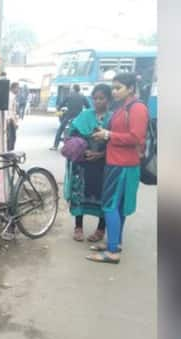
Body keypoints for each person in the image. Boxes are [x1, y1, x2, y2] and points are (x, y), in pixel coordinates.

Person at [86, 72, 148, 263]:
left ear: (130, 88)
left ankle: (112, 252)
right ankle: (116, 242)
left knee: (109, 206)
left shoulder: (137, 108)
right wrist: (105, 134)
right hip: (117, 162)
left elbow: (136, 137)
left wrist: (108, 135)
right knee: (118, 207)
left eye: (118, 88)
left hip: (123, 165)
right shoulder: (123, 107)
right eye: (113, 87)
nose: (114, 92)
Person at [63, 84, 112, 242]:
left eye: (101, 98)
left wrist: (100, 154)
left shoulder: (112, 119)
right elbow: (72, 134)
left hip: (104, 164)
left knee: (104, 196)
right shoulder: (84, 115)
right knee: (79, 194)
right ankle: (78, 227)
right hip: (83, 163)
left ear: (108, 99)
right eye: (95, 98)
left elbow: (116, 143)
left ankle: (100, 229)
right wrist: (81, 148)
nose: (97, 101)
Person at [52, 84, 90, 150]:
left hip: (68, 117)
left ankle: (55, 146)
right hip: (79, 118)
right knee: (82, 131)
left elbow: (61, 105)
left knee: (60, 129)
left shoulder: (69, 96)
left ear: (73, 89)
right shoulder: (83, 96)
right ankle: (82, 146)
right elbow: (88, 107)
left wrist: (58, 109)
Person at [7, 82, 20, 151]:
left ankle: (10, 151)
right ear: (13, 88)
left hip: (11, 119)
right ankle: (9, 153)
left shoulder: (12, 96)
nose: (18, 90)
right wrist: (14, 121)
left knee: (12, 138)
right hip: (10, 120)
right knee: (11, 138)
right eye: (17, 88)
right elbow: (10, 110)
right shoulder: (11, 96)